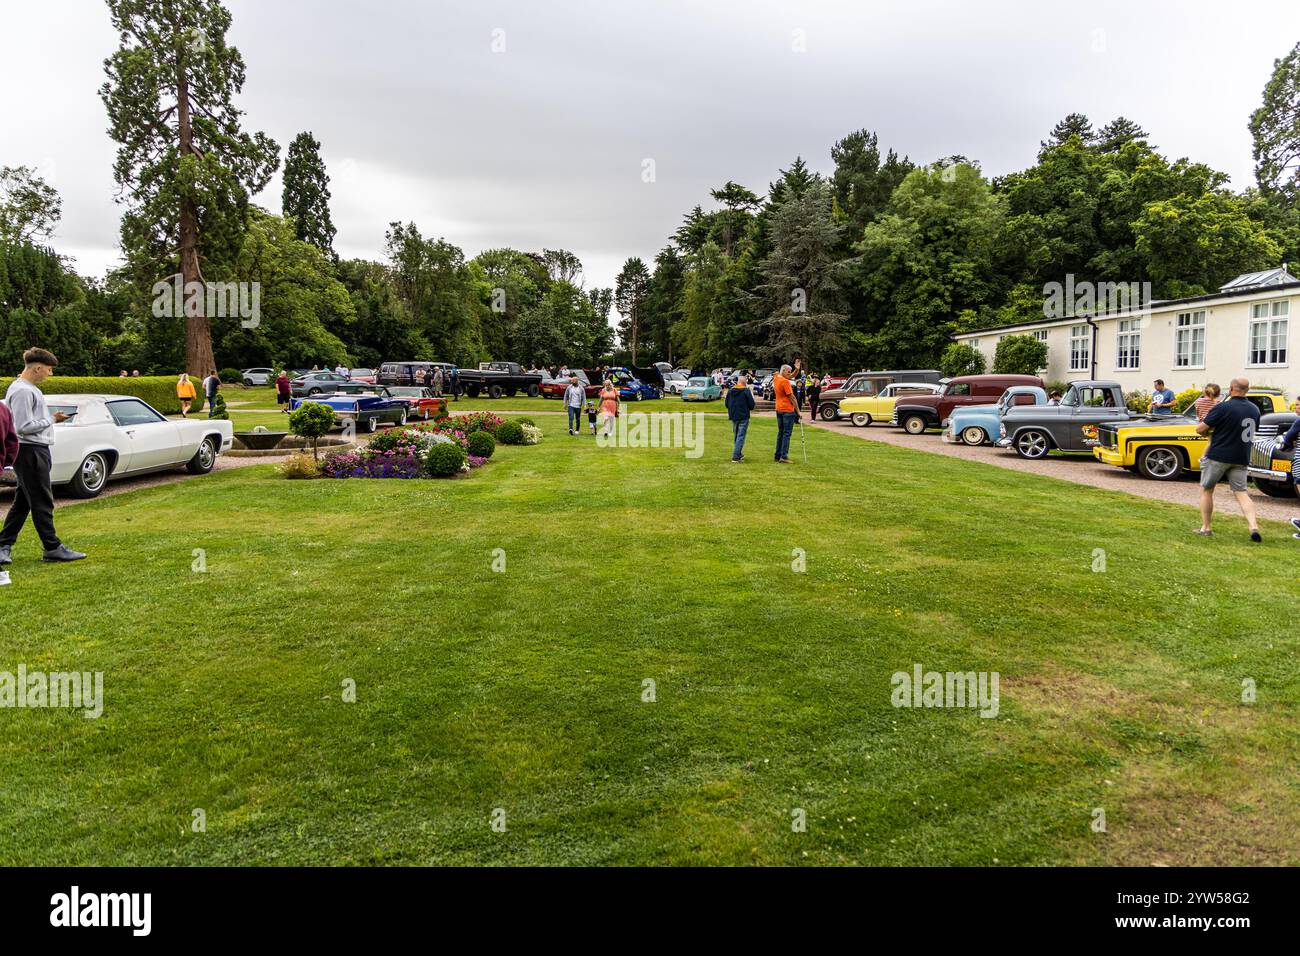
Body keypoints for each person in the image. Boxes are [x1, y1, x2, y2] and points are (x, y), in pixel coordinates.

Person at [0, 348, 86, 565]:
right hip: (30, 451)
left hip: (34, 450)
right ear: (37, 368)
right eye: (49, 369)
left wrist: (50, 419)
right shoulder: (23, 391)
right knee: (42, 501)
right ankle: (52, 547)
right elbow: (22, 427)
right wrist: (51, 420)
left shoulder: (26, 388)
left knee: (23, 502)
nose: (50, 374)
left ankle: (3, 545)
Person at [1194, 378, 1261, 541]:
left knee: (1207, 489)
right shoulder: (1254, 410)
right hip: (1241, 456)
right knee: (1242, 493)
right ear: (1247, 390)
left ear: (1231, 389)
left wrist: (1209, 431)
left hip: (1219, 455)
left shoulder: (1223, 407)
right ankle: (1253, 527)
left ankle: (1206, 527)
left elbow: (1200, 429)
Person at [725, 373, 755, 462]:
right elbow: (752, 405)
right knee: (741, 435)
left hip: (733, 415)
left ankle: (738, 453)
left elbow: (726, 404)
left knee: (737, 435)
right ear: (744, 382)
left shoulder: (730, 391)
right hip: (743, 415)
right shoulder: (745, 391)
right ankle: (735, 456)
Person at [772, 364, 798, 464]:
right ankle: (784, 456)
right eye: (788, 372)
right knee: (787, 434)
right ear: (783, 371)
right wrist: (798, 411)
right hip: (787, 410)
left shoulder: (776, 377)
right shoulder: (785, 381)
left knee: (781, 433)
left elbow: (790, 376)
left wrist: (797, 369)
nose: (790, 374)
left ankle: (777, 455)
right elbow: (792, 398)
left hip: (779, 409)